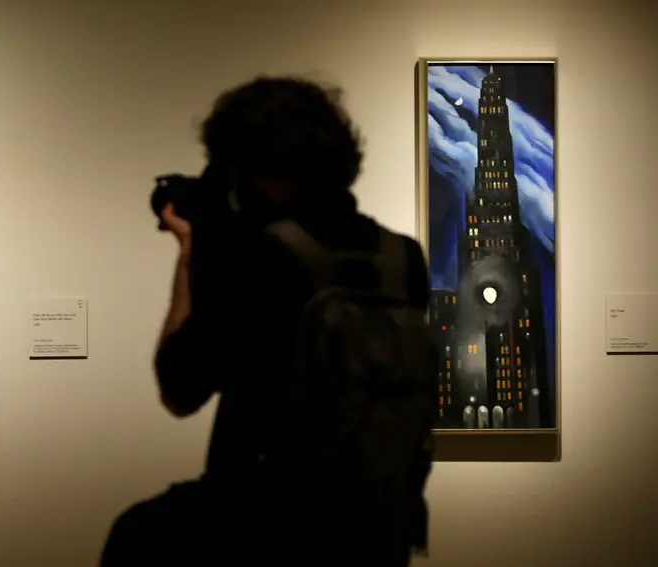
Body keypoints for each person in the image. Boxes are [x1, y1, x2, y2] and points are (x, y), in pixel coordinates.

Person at [99, 76, 433, 566]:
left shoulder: (262, 256)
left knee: (136, 535)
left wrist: (193, 255)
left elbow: (179, 389)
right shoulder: (403, 258)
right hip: (377, 530)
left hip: (265, 529)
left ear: (257, 171)